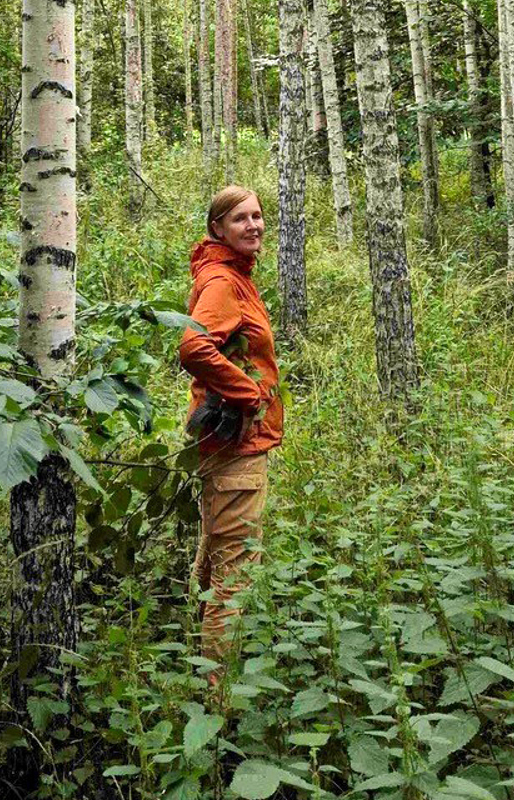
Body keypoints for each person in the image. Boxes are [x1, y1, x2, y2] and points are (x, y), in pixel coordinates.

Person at [178, 185, 284, 679]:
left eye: (258, 216)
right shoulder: (223, 280)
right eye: (240, 218)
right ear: (217, 228)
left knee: (216, 554)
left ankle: (193, 660)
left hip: (226, 439)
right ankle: (216, 695)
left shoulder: (231, 275)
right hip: (236, 441)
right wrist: (250, 394)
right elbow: (194, 349)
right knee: (234, 575)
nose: (254, 225)